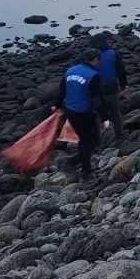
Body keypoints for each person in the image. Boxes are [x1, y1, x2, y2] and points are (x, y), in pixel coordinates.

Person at [56, 47, 103, 180]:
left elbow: (61, 91)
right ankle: (77, 164)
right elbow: (97, 98)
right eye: (99, 59)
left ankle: (83, 166)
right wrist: (105, 117)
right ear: (94, 60)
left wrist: (58, 105)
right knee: (93, 140)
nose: (99, 61)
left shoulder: (70, 71)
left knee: (84, 139)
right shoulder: (93, 75)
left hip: (70, 111)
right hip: (84, 112)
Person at [92, 32, 128, 143]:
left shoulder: (90, 57)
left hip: (96, 90)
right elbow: (121, 71)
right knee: (116, 112)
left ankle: (97, 140)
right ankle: (120, 134)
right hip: (111, 88)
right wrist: (123, 85)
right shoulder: (113, 54)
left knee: (97, 114)